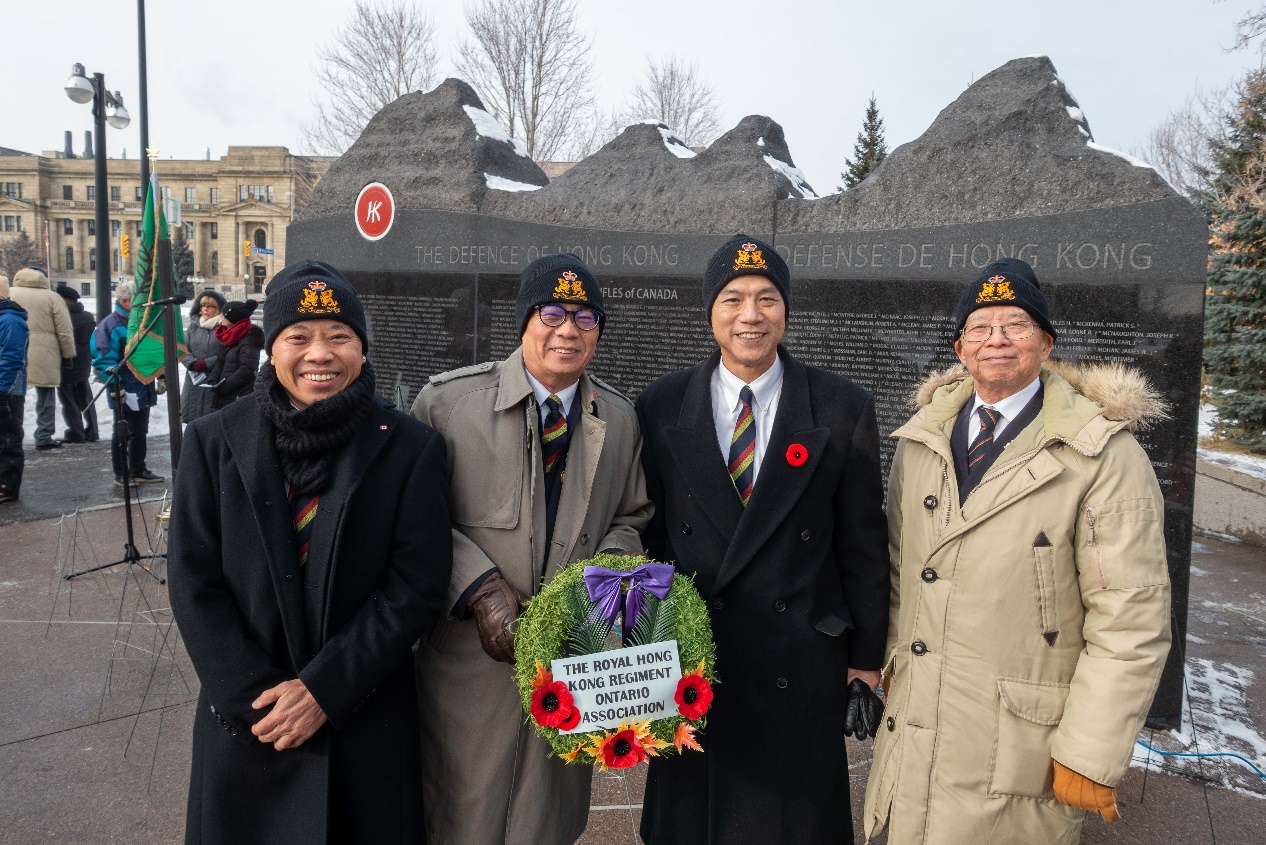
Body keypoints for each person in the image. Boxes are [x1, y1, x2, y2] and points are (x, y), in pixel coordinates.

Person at [862, 258, 1172, 845]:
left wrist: (1091, 750)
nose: (996, 340)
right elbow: (903, 574)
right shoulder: (921, 441)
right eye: (979, 328)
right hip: (919, 713)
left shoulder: (1102, 454)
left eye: (1016, 325)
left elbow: (1131, 620)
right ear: (960, 347)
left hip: (1016, 735)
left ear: (1046, 343)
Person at [168, 259, 453, 845]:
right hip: (250, 724)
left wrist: (325, 689)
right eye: (298, 336)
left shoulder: (410, 448)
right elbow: (192, 579)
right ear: (272, 348)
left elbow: (415, 586)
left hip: (362, 717)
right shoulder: (215, 441)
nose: (319, 354)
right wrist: (255, 700)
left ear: (363, 349)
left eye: (339, 336)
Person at [634, 234, 889, 845]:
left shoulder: (840, 405)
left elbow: (863, 543)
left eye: (766, 298)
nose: (751, 315)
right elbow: (651, 534)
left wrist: (866, 662)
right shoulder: (661, 404)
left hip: (798, 661)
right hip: (696, 659)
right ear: (711, 312)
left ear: (785, 310)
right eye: (733, 299)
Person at [410, 253, 652, 845]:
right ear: (524, 320)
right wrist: (480, 586)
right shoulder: (448, 405)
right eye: (552, 312)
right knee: (453, 813)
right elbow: (412, 520)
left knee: (547, 821)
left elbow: (632, 516)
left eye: (586, 317)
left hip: (567, 666)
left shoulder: (618, 419)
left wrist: (600, 585)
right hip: (466, 666)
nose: (568, 330)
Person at [91, 281, 163, 487]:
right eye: (138, 301)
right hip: (124, 386)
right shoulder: (111, 325)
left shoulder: (143, 322)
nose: (144, 305)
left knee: (141, 430)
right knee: (122, 431)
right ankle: (121, 472)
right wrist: (115, 386)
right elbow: (105, 359)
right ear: (124, 301)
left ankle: (138, 468)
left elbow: (153, 352)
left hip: (143, 384)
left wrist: (161, 375)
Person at [9, 267, 73, 451]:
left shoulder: (10, 293)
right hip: (46, 352)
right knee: (46, 396)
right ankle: (43, 435)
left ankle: (11, 434)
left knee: (11, 396)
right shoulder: (52, 297)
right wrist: (68, 355)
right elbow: (64, 331)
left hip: (16, 349)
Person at [54, 284, 99, 443]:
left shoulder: (64, 318)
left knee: (68, 400)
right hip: (84, 363)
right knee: (86, 397)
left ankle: (76, 432)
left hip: (67, 363)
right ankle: (93, 430)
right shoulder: (87, 317)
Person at [0, 275, 28, 504]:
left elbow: (11, 359)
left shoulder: (10, 320)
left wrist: (2, 392)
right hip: (5, 387)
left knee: (8, 438)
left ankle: (8, 486)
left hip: (8, 390)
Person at [180, 289, 226, 424]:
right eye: (202, 306)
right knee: (193, 423)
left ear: (218, 309)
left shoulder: (224, 327)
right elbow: (184, 349)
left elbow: (226, 352)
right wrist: (191, 363)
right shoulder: (193, 326)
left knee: (212, 422)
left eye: (210, 306)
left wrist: (207, 363)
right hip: (194, 380)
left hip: (215, 378)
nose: (205, 309)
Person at [209, 299, 264, 410]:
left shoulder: (249, 337)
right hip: (225, 393)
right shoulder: (227, 334)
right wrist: (213, 379)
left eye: (224, 315)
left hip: (239, 394)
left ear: (233, 318)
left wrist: (225, 386)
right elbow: (220, 360)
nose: (221, 316)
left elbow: (247, 369)